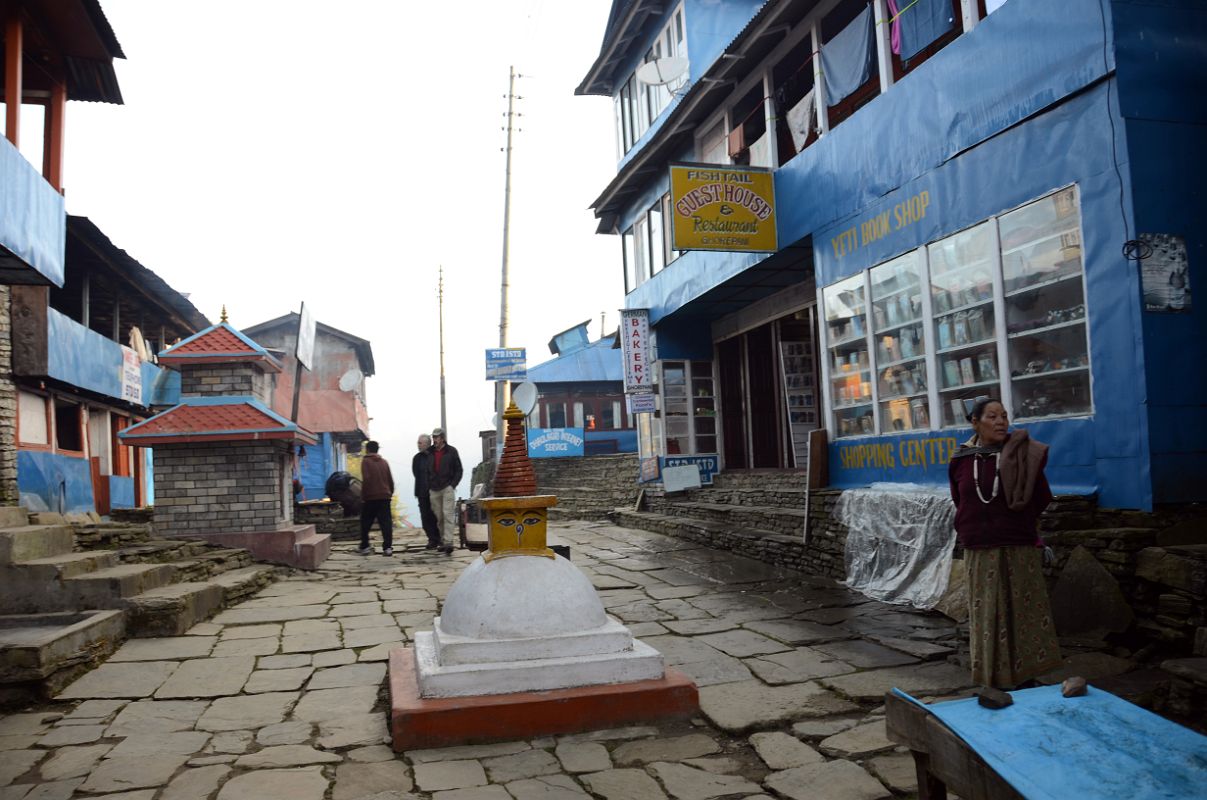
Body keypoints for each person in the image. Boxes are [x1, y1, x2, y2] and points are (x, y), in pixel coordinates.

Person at [948, 398, 1062, 689]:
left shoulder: (1022, 455)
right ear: (975, 422)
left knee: (1021, 611)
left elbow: (1040, 497)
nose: (1000, 422)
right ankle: (992, 676)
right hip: (979, 546)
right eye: (992, 416)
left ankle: (1026, 676)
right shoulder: (961, 460)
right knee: (987, 613)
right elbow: (960, 500)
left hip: (1017, 544)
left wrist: (1016, 523)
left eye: (1004, 416)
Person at [426, 427, 462, 556]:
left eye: (436, 437)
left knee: (448, 515)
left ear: (442, 438)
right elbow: (425, 470)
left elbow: (459, 469)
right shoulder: (429, 452)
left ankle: (448, 542)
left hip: (447, 487)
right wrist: (428, 484)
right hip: (434, 489)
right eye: (433, 437)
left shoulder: (451, 451)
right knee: (439, 517)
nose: (434, 439)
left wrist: (453, 484)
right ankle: (443, 541)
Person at [358, 440, 395, 557]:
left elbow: (367, 479)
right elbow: (390, 480)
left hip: (371, 497)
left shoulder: (365, 462)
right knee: (386, 523)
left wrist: (363, 496)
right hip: (385, 496)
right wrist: (389, 493)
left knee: (366, 522)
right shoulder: (384, 462)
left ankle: (365, 546)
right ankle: (387, 547)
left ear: (367, 450)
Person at [412, 433, 441, 550]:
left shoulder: (435, 455)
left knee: (436, 516)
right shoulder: (417, 458)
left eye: (420, 443)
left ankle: (439, 538)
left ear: (427, 444)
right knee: (425, 517)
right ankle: (432, 539)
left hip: (435, 491)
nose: (418, 445)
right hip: (422, 492)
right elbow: (416, 473)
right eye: (418, 443)